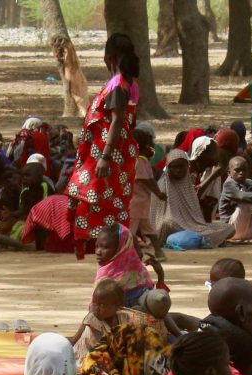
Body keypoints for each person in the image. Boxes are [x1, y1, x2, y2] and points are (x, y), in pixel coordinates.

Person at [65, 34, 141, 255]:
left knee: (100, 200)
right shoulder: (129, 83)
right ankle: (121, 251)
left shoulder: (118, 84)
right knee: (111, 203)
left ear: (110, 57)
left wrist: (105, 156)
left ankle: (123, 251)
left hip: (109, 155)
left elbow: (118, 120)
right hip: (115, 152)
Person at [147, 149, 235, 249]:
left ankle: (200, 238)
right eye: (174, 167)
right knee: (169, 222)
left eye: (181, 166)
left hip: (194, 226)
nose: (178, 170)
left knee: (229, 228)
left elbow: (195, 214)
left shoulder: (188, 185)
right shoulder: (162, 186)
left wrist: (195, 226)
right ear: (168, 168)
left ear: (187, 167)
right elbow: (158, 219)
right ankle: (201, 238)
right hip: (173, 226)